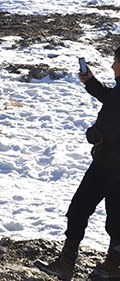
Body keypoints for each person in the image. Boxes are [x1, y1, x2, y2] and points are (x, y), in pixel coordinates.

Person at [35, 48, 120, 280]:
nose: (112, 66)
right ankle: (113, 263)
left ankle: (66, 262)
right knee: (117, 211)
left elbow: (104, 127)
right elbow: (113, 99)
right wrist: (91, 82)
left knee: (79, 208)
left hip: (108, 162)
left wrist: (92, 135)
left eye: (115, 62)